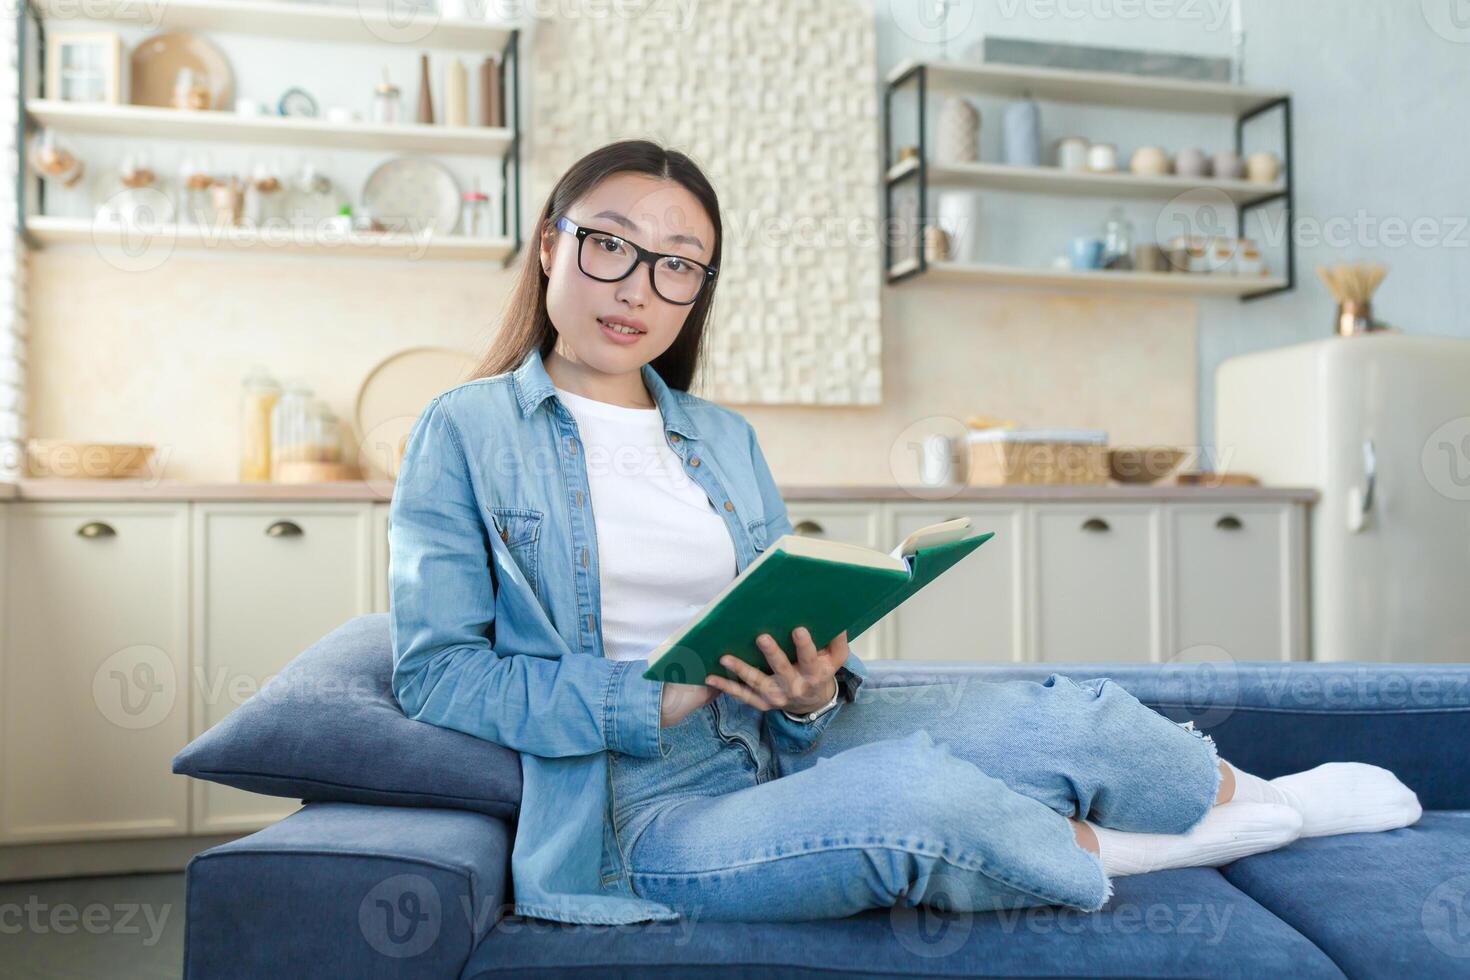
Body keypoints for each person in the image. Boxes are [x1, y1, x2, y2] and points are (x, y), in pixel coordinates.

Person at [387, 138, 1423, 925]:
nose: (637, 286)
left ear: (698, 289)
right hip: (642, 804)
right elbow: (437, 673)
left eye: (678, 263)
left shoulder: (720, 436)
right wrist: (644, 695)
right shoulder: (466, 429)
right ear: (550, 241)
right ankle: (1155, 848)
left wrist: (813, 688)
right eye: (611, 243)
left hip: (785, 734)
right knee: (916, 796)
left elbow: (780, 613)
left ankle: (1267, 796)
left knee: (1072, 717)